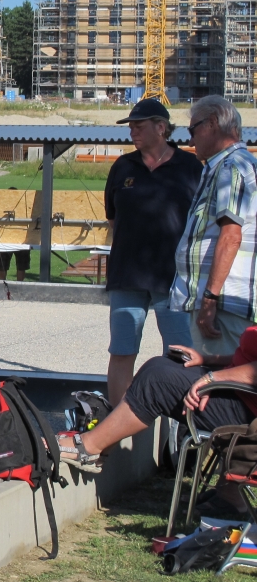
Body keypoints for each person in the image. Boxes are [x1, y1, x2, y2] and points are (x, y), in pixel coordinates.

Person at [54, 333, 257, 514]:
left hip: (249, 411)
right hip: (243, 393)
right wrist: (207, 359)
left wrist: (213, 378)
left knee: (157, 381)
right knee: (160, 365)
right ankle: (100, 446)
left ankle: (90, 447)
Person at [103, 98, 203, 403]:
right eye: (131, 126)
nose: (133, 131)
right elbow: (112, 217)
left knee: (178, 355)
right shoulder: (123, 167)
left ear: (161, 128)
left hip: (172, 280)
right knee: (122, 351)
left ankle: (176, 432)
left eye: (139, 125)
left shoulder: (190, 167)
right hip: (127, 277)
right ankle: (120, 435)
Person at [169, 96, 257, 358]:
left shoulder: (231, 167)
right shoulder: (228, 166)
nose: (191, 140)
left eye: (193, 129)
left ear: (213, 123)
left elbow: (231, 236)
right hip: (224, 301)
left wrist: (210, 298)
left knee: (219, 387)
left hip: (224, 305)